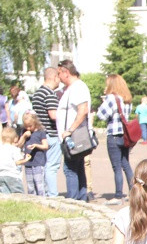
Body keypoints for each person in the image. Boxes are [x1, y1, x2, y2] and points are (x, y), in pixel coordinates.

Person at [96, 74, 135, 206]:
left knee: (116, 167)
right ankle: (133, 193)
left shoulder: (111, 98)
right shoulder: (127, 99)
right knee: (126, 164)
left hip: (113, 134)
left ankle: (118, 195)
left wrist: (103, 101)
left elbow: (101, 115)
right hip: (125, 135)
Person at [56, 60, 91, 201]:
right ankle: (81, 199)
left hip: (73, 137)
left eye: (59, 73)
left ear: (66, 72)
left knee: (70, 169)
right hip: (71, 137)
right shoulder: (72, 88)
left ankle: (74, 201)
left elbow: (83, 110)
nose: (58, 77)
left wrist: (69, 130)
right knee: (78, 168)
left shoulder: (78, 87)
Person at [31, 68, 62, 197]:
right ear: (54, 77)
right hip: (51, 134)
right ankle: (52, 194)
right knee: (52, 166)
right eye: (59, 78)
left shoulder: (37, 94)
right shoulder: (50, 94)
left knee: (43, 166)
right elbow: (53, 115)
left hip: (40, 134)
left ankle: (42, 192)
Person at [19, 112, 49, 196]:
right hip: (28, 162)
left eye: (30, 126)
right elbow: (19, 145)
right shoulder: (24, 132)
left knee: (39, 184)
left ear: (35, 122)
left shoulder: (40, 132)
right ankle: (32, 201)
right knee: (30, 186)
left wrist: (36, 145)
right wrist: (24, 136)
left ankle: (42, 200)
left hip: (38, 162)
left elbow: (45, 146)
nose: (28, 128)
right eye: (26, 126)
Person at [0, 126, 26, 193]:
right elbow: (17, 162)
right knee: (18, 194)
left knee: (5, 195)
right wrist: (26, 159)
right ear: (15, 139)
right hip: (12, 175)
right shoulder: (15, 149)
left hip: (1, 175)